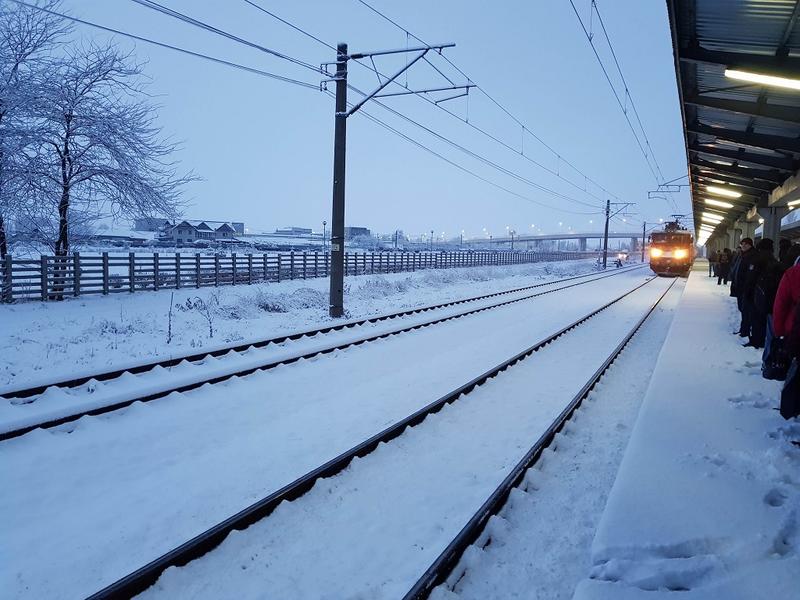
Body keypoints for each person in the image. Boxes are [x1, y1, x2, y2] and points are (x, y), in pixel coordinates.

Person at [742, 238, 775, 349]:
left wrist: (747, 292)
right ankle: (762, 339)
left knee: (755, 318)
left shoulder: (757, 259)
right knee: (764, 319)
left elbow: (751, 278)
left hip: (757, 294)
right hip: (770, 295)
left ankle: (756, 341)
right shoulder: (774, 260)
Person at [733, 238, 755, 338]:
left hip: (745, 288)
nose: (744, 246)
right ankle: (743, 329)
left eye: (746, 244)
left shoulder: (751, 256)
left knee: (745, 310)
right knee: (742, 309)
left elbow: (749, 274)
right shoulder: (742, 255)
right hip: (740, 287)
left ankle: (745, 330)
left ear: (750, 245)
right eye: (742, 244)